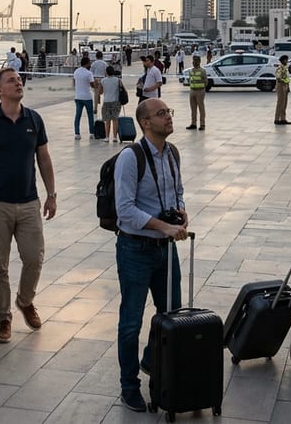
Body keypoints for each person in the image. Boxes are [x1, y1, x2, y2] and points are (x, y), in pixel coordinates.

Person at [0, 67, 56, 344]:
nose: (18, 82)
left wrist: (51, 194)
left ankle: (25, 300)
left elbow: (44, 159)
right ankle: (4, 318)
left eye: (19, 79)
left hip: (28, 201)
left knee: (34, 257)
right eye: (11, 81)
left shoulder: (34, 119)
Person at [113, 98, 187, 412]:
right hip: (136, 248)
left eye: (169, 112)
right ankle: (129, 385)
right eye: (161, 114)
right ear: (145, 123)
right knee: (131, 321)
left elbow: (177, 191)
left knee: (171, 314)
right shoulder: (131, 157)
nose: (168, 117)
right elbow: (125, 210)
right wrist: (162, 227)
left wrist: (181, 215)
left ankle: (149, 358)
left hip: (165, 248)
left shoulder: (172, 153)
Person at [72, 56, 97, 140]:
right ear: (87, 63)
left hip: (78, 96)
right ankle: (92, 133)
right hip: (87, 97)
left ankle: (77, 133)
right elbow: (92, 85)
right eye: (89, 63)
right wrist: (96, 84)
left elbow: (74, 83)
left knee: (78, 115)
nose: (90, 64)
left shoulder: (76, 71)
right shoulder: (89, 73)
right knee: (90, 115)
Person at [100, 66, 123, 143]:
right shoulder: (118, 80)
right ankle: (115, 137)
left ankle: (107, 137)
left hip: (106, 101)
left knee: (107, 120)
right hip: (116, 102)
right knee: (115, 120)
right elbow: (123, 90)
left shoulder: (103, 81)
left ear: (106, 72)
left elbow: (100, 92)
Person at [185, 55, 206, 131]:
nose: (194, 62)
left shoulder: (202, 71)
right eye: (193, 61)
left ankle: (202, 124)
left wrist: (201, 87)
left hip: (200, 91)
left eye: (196, 60)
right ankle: (193, 123)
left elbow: (205, 81)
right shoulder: (191, 70)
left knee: (201, 108)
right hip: (192, 91)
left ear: (199, 61)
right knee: (193, 108)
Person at [274, 55, 291, 126]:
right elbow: (278, 77)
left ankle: (283, 119)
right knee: (280, 103)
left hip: (285, 85)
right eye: (286, 60)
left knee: (284, 103)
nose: (287, 61)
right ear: (283, 60)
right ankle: (277, 119)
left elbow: (286, 77)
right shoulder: (280, 67)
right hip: (281, 86)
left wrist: (287, 86)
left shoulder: (285, 67)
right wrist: (283, 83)